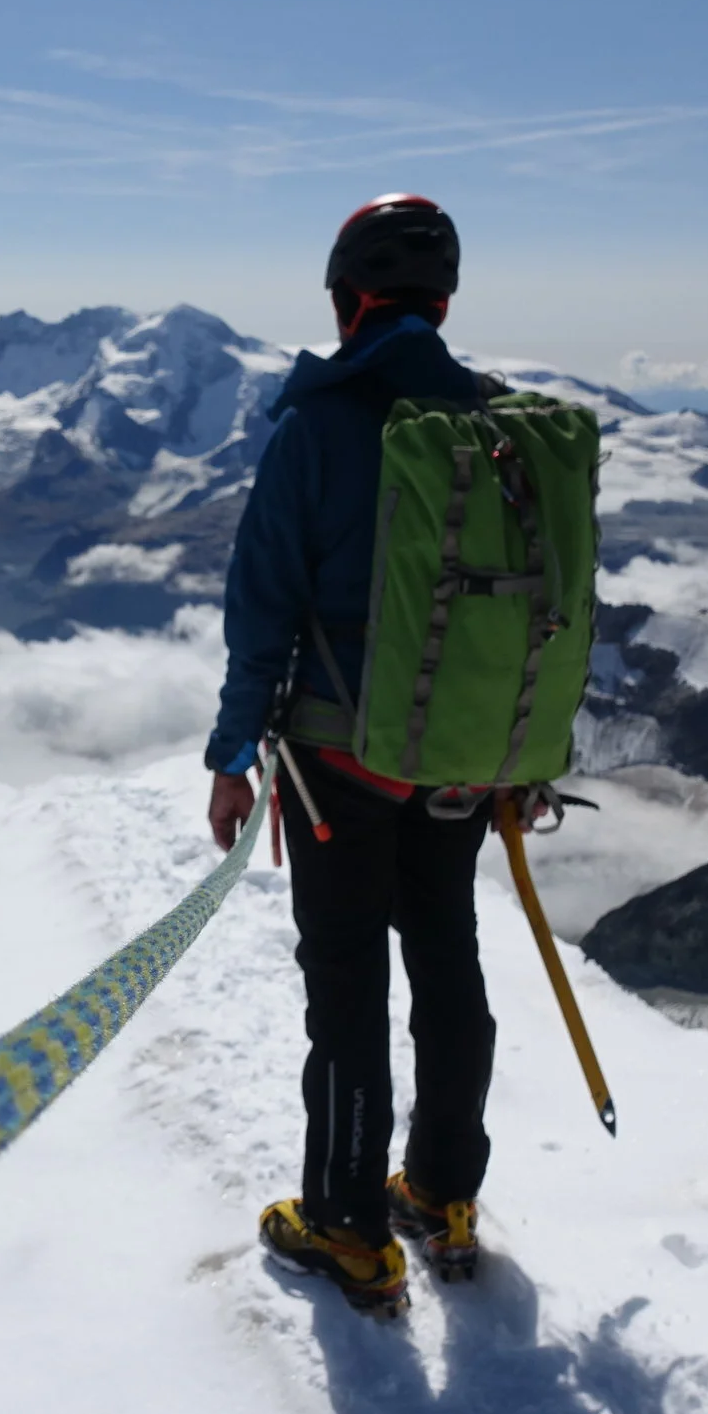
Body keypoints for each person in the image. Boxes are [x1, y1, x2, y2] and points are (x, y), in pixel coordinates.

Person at [204, 194, 498, 1318]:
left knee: (347, 988)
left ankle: (346, 1225)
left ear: (346, 302)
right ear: (441, 304)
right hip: (461, 759)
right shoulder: (491, 425)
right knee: (447, 960)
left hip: (339, 765)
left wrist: (233, 751)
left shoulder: (319, 427)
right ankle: (442, 1191)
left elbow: (262, 604)